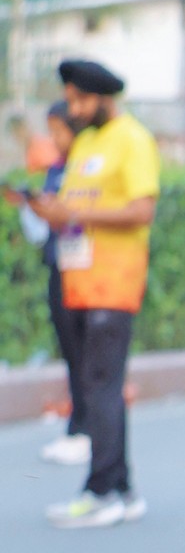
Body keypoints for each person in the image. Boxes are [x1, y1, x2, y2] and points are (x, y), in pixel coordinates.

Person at [33, 57, 158, 527]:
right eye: (70, 101)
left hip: (114, 284)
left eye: (81, 100)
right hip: (78, 283)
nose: (75, 110)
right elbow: (74, 207)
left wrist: (76, 215)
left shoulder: (133, 139)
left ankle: (101, 490)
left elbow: (142, 210)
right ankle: (121, 489)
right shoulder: (85, 143)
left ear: (104, 97)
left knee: (101, 385)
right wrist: (51, 211)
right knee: (95, 385)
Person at [3, 101, 88, 461]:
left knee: (89, 358)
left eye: (59, 131)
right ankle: (77, 428)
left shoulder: (86, 170)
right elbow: (48, 224)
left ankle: (88, 432)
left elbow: (81, 218)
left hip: (87, 271)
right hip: (59, 265)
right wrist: (31, 205)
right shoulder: (55, 169)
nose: (54, 139)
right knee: (71, 353)